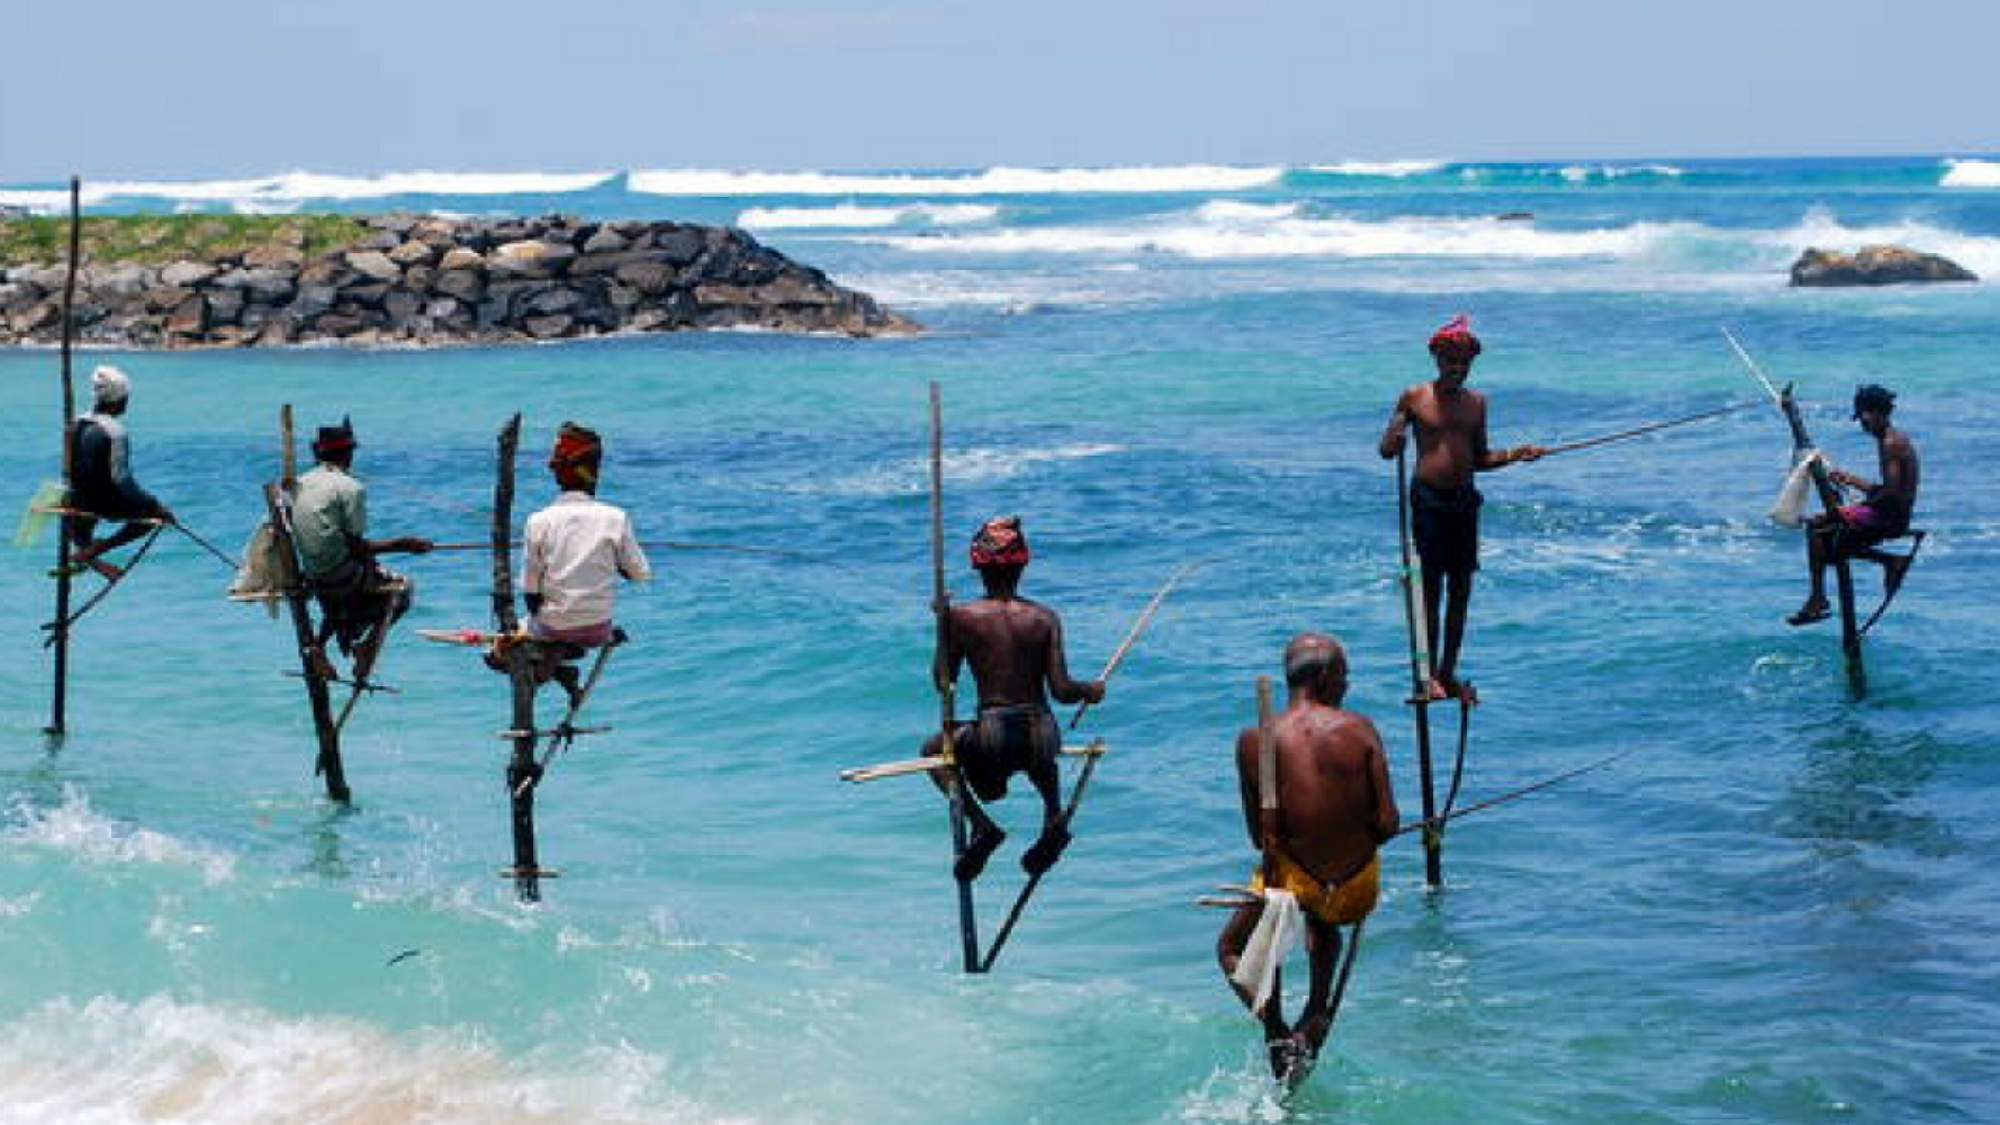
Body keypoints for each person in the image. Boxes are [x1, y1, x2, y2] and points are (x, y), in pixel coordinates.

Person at [1216, 633, 1398, 1079]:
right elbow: (1388, 824)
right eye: (1344, 676)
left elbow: (1258, 837)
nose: (1347, 686)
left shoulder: (1253, 740)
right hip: (1355, 890)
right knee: (1324, 918)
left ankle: (1276, 1029)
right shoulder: (1360, 729)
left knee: (1230, 949)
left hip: (1290, 884)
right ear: (1323, 676)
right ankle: (1315, 1010)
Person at [922, 516, 1104, 882]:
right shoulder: (1045, 618)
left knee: (932, 751)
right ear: (1023, 563)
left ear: (978, 566)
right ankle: (1053, 816)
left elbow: (944, 681)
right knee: (1039, 756)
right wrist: (1091, 690)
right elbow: (1062, 691)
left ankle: (982, 827)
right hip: (1043, 732)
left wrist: (941, 627)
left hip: (994, 731)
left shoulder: (961, 617)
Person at [1378, 315, 1544, 703]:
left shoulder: (1477, 403)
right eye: (1451, 361)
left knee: (1461, 588)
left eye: (1464, 363)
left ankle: (1447, 672)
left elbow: (1481, 459)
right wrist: (1395, 433)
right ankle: (1427, 673)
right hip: (1429, 501)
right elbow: (1386, 451)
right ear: (1437, 359)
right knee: (1431, 587)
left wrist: (1517, 454)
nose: (1457, 369)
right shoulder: (1414, 397)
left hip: (1464, 501)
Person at [516, 422, 651, 706]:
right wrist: (619, 566)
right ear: (594, 473)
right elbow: (641, 575)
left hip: (553, 627)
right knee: (565, 630)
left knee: (498, 651)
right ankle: (561, 665)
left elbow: (530, 593)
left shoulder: (537, 521)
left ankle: (558, 668)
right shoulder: (616, 518)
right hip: (597, 629)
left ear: (558, 473)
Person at [290, 417, 431, 681]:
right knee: (403, 589)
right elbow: (356, 547)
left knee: (338, 596)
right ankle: (367, 648)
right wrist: (402, 544)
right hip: (339, 574)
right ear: (348, 454)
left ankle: (317, 647)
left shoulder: (297, 483)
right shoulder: (350, 488)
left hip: (313, 574)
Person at [1789, 383, 1921, 626]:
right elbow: (1889, 489)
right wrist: (1851, 480)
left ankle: (1818, 599)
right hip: (1893, 514)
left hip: (1890, 518)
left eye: (1863, 417)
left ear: (1877, 413)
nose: (1862, 423)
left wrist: (1851, 510)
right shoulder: (1892, 439)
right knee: (1829, 544)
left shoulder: (1891, 443)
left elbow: (1891, 494)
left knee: (1818, 528)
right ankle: (1890, 562)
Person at [64, 365, 173, 580]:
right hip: (103, 502)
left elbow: (69, 468)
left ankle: (90, 555)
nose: (126, 403)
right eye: (125, 398)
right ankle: (98, 550)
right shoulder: (115, 431)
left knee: (75, 516)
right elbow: (121, 480)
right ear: (118, 401)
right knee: (151, 518)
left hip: (79, 499)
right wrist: (154, 504)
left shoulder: (76, 424)